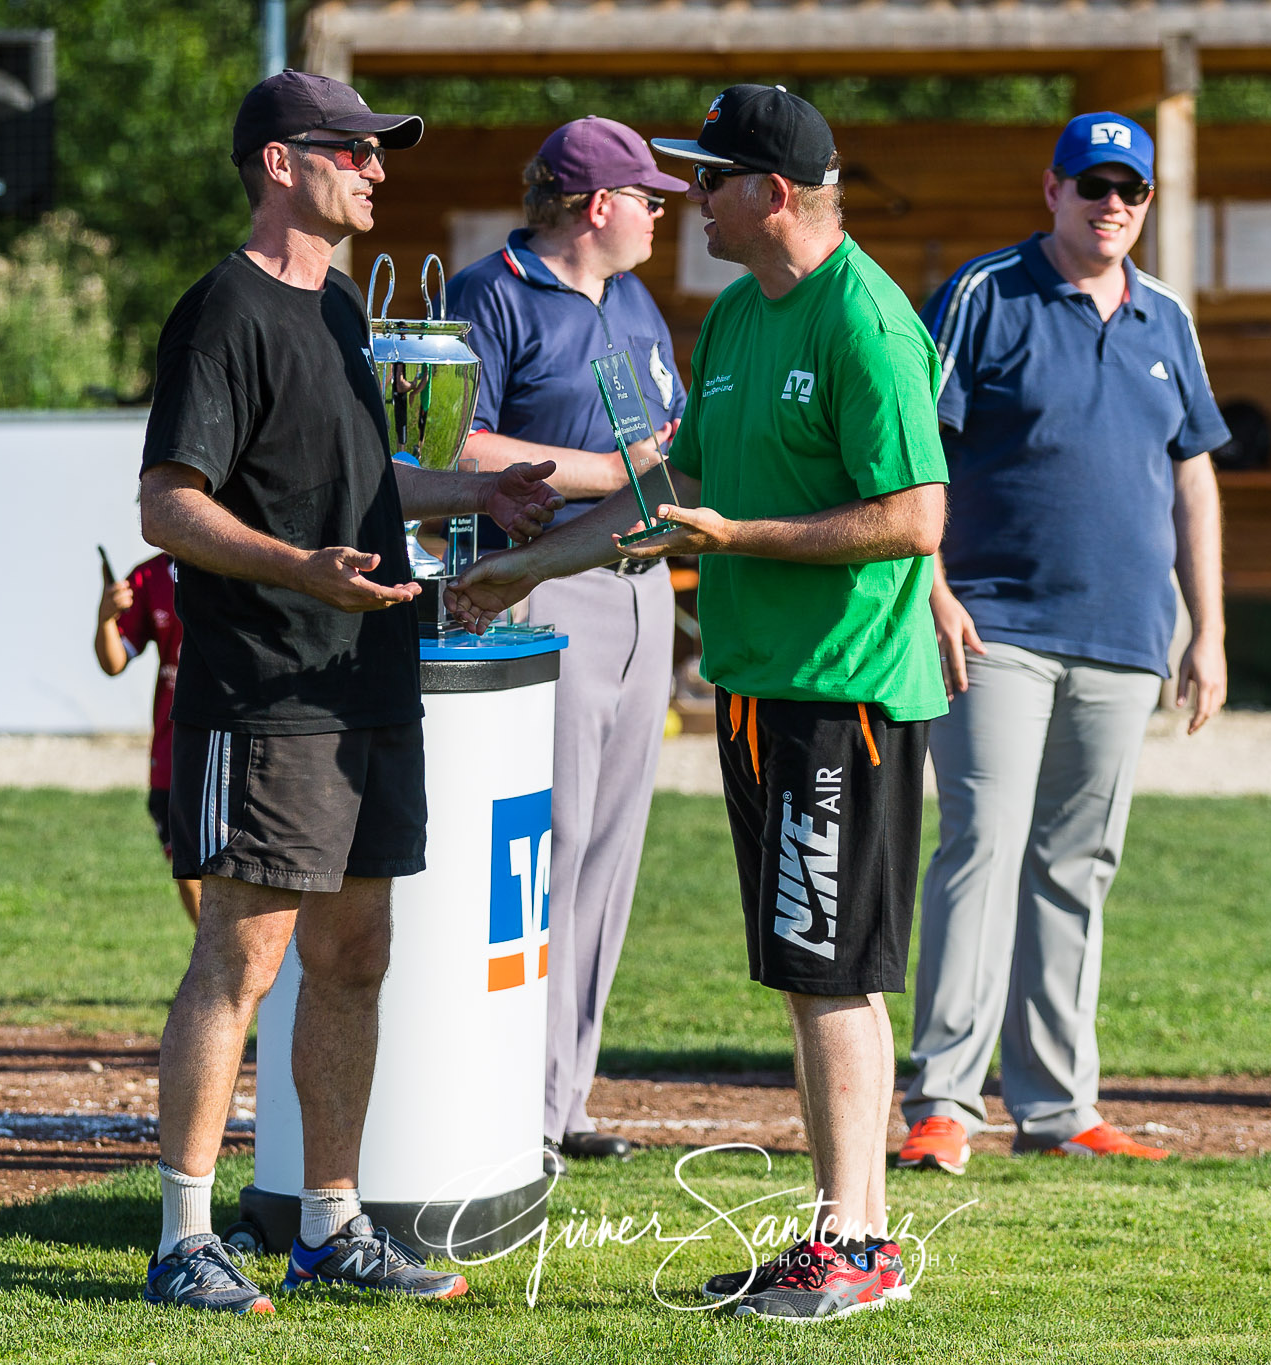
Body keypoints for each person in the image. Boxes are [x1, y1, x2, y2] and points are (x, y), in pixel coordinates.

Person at [449, 85, 946, 1324]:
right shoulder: (733, 317)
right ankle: (839, 1232)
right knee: (804, 971)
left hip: (844, 696)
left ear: (771, 194)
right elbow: (671, 485)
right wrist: (522, 567)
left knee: (833, 974)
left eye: (710, 181)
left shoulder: (866, 325)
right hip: (755, 692)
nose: (692, 204)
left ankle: (858, 1249)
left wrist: (743, 536)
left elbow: (914, 516)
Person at [135, 71, 562, 1316]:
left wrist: (475, 495)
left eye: (381, 154)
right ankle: (183, 1239)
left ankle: (330, 1226)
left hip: (367, 680)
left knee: (357, 955)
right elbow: (168, 505)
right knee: (242, 958)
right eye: (355, 151)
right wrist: (294, 569)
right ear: (281, 163)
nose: (379, 170)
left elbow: (358, 492)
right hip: (267, 688)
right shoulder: (222, 312)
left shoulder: (332, 310)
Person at [893, 112, 1229, 1177]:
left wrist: (1207, 628)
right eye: (1092, 186)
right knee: (978, 848)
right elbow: (913, 454)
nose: (1111, 205)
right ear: (1051, 190)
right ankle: (942, 1101)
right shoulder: (982, 295)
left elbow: (1192, 477)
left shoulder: (1166, 315)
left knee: (1076, 866)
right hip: (993, 627)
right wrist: (931, 591)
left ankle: (1056, 1105)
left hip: (1126, 636)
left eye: (1128, 190)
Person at [448, 116, 689, 1173]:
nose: (658, 215)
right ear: (598, 207)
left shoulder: (631, 299)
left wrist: (643, 476)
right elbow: (452, 444)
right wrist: (611, 473)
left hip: (641, 590)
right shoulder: (486, 293)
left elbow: (668, 443)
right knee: (535, 855)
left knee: (606, 859)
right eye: (647, 197)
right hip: (543, 589)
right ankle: (504, 1103)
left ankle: (558, 1101)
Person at [94, 551, 200, 925]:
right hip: (173, 752)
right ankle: (222, 969)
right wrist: (106, 617)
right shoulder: (149, 577)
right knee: (187, 872)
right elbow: (113, 661)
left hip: (235, 746)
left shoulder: (248, 562)